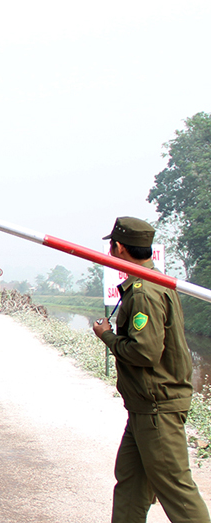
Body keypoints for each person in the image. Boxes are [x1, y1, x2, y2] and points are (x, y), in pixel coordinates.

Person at [91, 217, 210, 523]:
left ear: (117, 247)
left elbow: (144, 352)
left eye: (111, 245)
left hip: (157, 406)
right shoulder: (156, 282)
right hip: (144, 406)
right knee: (131, 483)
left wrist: (107, 336)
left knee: (176, 490)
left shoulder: (144, 292)